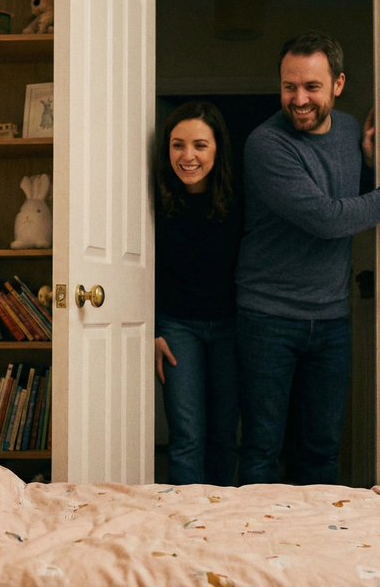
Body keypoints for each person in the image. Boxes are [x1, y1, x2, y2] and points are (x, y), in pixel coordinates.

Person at [235, 31, 380, 486]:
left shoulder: (352, 130)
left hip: (331, 318)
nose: (298, 99)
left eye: (311, 87)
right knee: (262, 448)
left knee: (321, 450)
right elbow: (327, 218)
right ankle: (253, 547)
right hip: (266, 317)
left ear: (338, 84)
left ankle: (317, 547)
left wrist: (370, 163)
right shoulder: (266, 144)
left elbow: (348, 195)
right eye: (289, 86)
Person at [154, 101, 242, 486]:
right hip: (177, 327)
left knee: (225, 436)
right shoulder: (152, 197)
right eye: (177, 145)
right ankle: (185, 526)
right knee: (187, 436)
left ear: (217, 149)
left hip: (233, 326)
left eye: (200, 145)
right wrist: (152, 328)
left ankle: (219, 520)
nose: (187, 156)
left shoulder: (241, 197)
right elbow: (138, 271)